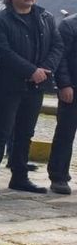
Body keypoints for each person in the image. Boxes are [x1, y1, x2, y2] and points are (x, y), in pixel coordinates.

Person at [0, 0, 64, 194]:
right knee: (0, 132)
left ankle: (19, 177)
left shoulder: (45, 17)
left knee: (25, 133)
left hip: (36, 86)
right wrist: (30, 71)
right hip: (8, 86)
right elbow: (3, 51)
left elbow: (57, 46)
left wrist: (44, 70)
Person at [48, 12, 77, 194]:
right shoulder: (69, 25)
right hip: (73, 87)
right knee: (65, 133)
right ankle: (58, 176)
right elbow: (61, 57)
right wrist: (64, 84)